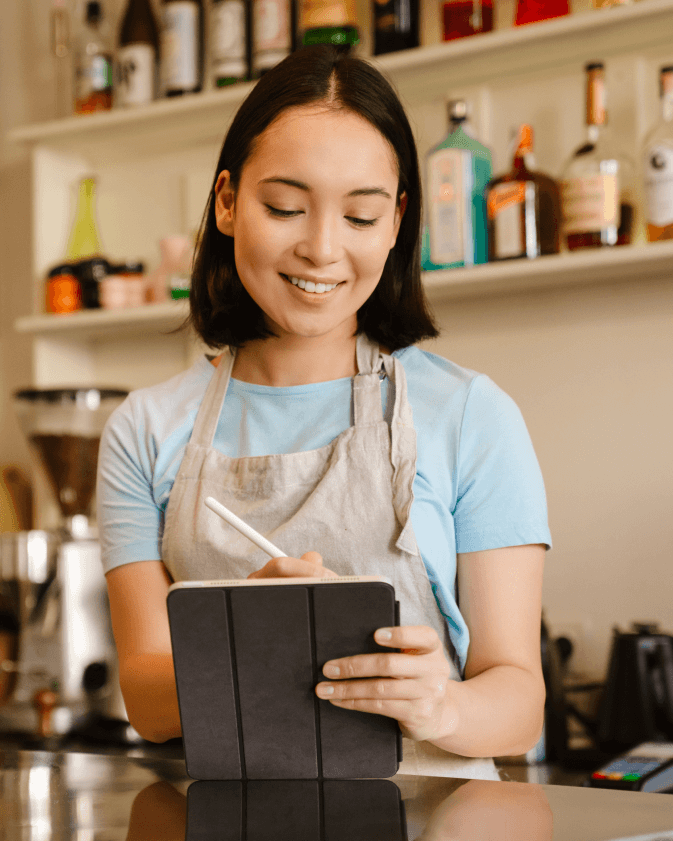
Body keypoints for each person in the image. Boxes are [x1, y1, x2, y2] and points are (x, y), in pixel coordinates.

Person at [99, 44, 551, 779]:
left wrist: (442, 705)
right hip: (234, 825)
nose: (320, 248)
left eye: (361, 215)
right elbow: (148, 701)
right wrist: (240, 631)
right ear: (225, 202)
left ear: (398, 220)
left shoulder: (471, 414)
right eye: (283, 206)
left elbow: (519, 700)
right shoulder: (144, 428)